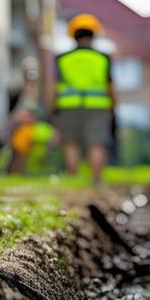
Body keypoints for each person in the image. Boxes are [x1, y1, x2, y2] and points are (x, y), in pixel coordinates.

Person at [50, 14, 116, 187]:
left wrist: (52, 108)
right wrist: (113, 108)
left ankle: (73, 180)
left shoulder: (62, 58)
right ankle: (96, 181)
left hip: (68, 107)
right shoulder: (103, 58)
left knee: (70, 143)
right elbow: (110, 86)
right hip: (97, 108)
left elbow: (54, 86)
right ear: (94, 34)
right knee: (96, 143)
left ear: (73, 35)